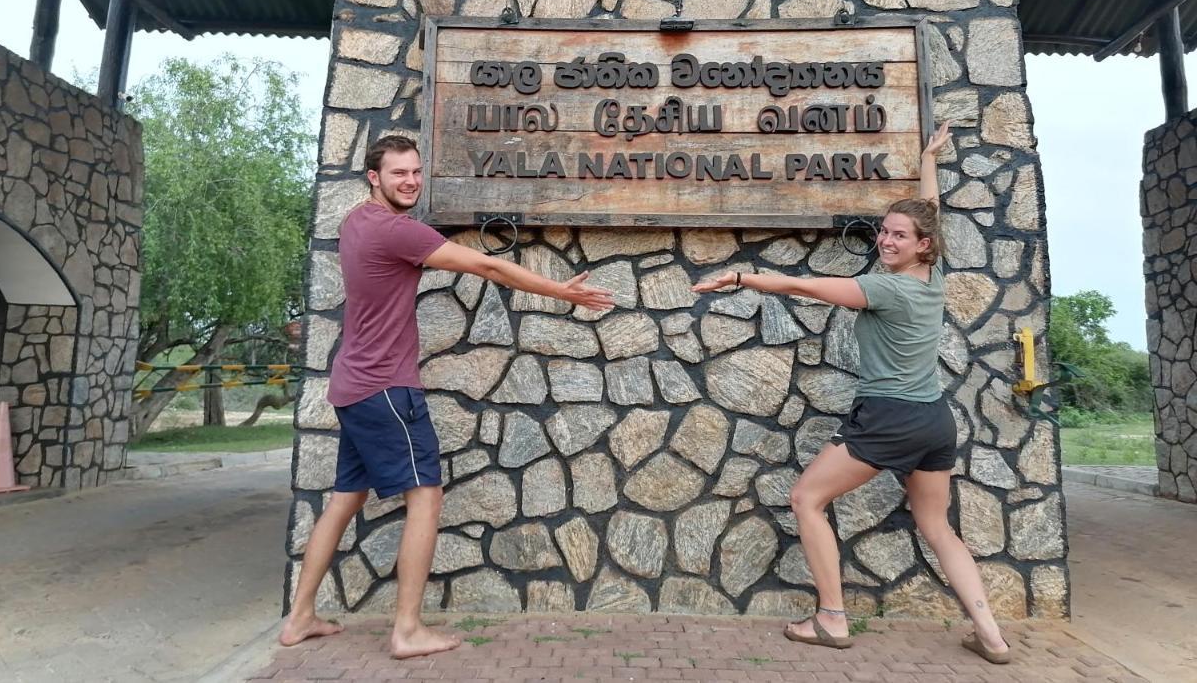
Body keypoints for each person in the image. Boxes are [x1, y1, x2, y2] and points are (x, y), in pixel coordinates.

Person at [279, 134, 614, 658]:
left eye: (415, 171)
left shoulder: (355, 223)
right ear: (374, 177)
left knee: (345, 498)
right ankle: (407, 630)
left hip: (352, 386)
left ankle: (299, 618)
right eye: (398, 174)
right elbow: (488, 266)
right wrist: (563, 292)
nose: (410, 181)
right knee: (426, 497)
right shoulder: (395, 230)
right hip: (386, 388)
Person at [691, 122, 1010, 665]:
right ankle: (991, 635)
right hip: (934, 419)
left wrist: (740, 278)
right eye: (884, 231)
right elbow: (933, 208)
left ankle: (831, 618)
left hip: (888, 417)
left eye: (898, 236)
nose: (886, 240)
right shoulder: (933, 274)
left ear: (922, 246)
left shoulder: (886, 288)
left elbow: (804, 286)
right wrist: (929, 158)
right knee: (936, 526)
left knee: (806, 499)